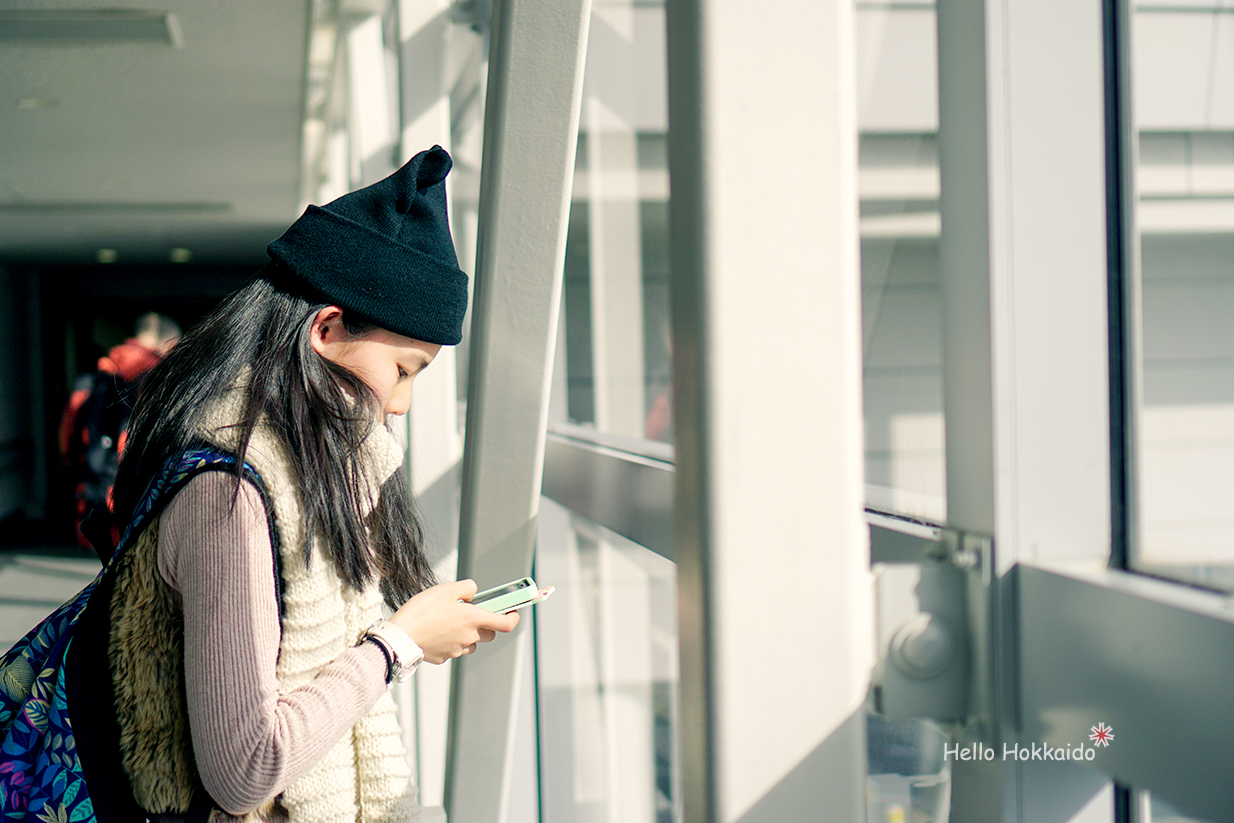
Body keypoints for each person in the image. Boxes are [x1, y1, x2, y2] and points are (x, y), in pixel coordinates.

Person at [97, 146, 517, 822]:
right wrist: (400, 642)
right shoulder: (229, 491)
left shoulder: (311, 476)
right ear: (326, 328)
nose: (403, 404)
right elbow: (244, 771)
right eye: (405, 369)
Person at [58, 311, 181, 552]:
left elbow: (67, 430)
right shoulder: (159, 376)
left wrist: (76, 471)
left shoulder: (98, 374)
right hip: (138, 498)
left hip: (93, 491)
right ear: (170, 344)